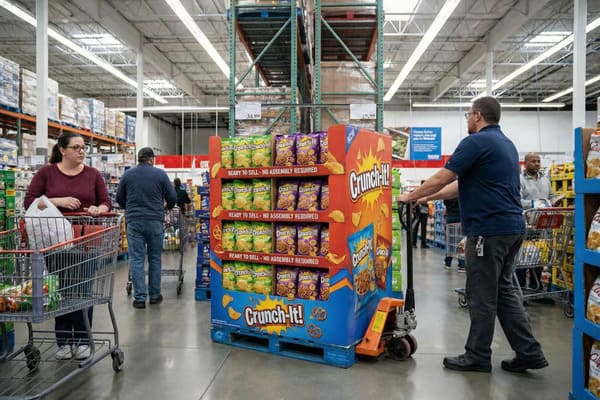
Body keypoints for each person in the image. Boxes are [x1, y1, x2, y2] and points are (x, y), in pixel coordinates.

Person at [397, 96, 548, 373]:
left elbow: (444, 176)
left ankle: (477, 355)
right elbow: (457, 187)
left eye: (468, 114)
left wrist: (410, 195)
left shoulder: (475, 142)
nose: (467, 119)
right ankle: (529, 353)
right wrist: (423, 199)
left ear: (477, 115)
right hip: (511, 228)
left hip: (488, 232)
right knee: (505, 292)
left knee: (480, 294)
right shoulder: (505, 144)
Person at [24, 132, 111, 361]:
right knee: (60, 291)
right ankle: (63, 341)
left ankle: (82, 340)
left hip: (85, 239)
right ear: (62, 150)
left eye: (83, 147)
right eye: (76, 147)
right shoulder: (46, 173)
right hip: (55, 241)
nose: (82, 151)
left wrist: (98, 210)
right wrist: (56, 201)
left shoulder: (93, 175)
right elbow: (29, 202)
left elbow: (105, 202)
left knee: (82, 290)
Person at [116, 147, 177, 309]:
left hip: (134, 221)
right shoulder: (160, 175)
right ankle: (155, 295)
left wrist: (128, 208)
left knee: (137, 259)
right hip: (155, 221)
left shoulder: (128, 175)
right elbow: (172, 197)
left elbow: (119, 198)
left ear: (139, 159)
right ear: (152, 159)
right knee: (155, 258)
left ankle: (140, 298)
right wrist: (168, 206)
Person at [517, 152, 557, 302]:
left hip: (543, 225)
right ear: (525, 163)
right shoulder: (519, 180)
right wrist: (534, 204)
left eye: (538, 161)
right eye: (533, 161)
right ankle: (520, 292)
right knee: (522, 258)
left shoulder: (545, 179)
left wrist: (553, 201)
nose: (536, 164)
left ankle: (537, 291)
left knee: (539, 257)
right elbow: (516, 199)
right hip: (526, 224)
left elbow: (551, 196)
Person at [443, 198, 465, 272]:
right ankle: (461, 265)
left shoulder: (448, 195)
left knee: (450, 241)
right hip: (460, 217)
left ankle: (448, 263)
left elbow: (445, 202)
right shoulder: (460, 192)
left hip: (450, 216)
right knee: (461, 241)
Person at [412, 180, 430, 249]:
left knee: (423, 228)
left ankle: (423, 243)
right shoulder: (417, 191)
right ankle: (413, 243)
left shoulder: (427, 193)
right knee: (416, 228)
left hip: (424, 212)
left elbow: (427, 202)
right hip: (417, 212)